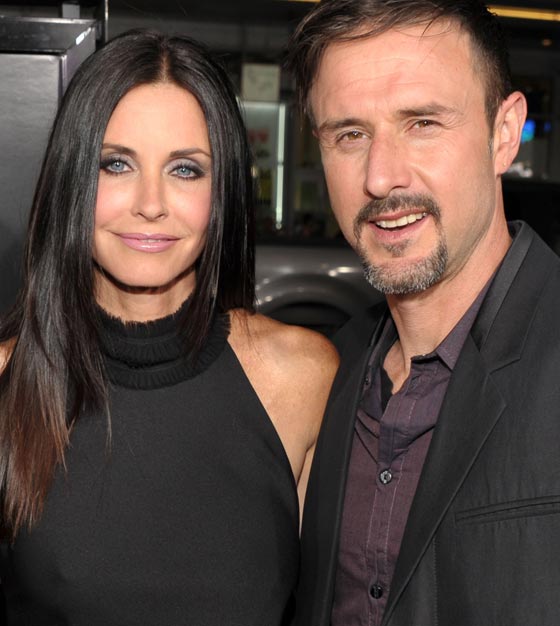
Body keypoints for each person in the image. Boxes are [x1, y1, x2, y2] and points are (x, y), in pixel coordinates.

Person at [0, 29, 338, 625]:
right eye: (116, 164)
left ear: (222, 190)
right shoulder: (9, 382)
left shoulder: (301, 378)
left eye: (185, 169)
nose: (151, 202)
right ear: (73, 179)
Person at [286, 1, 560, 625]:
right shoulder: (327, 378)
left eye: (423, 123)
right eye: (350, 135)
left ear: (504, 133)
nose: (382, 177)